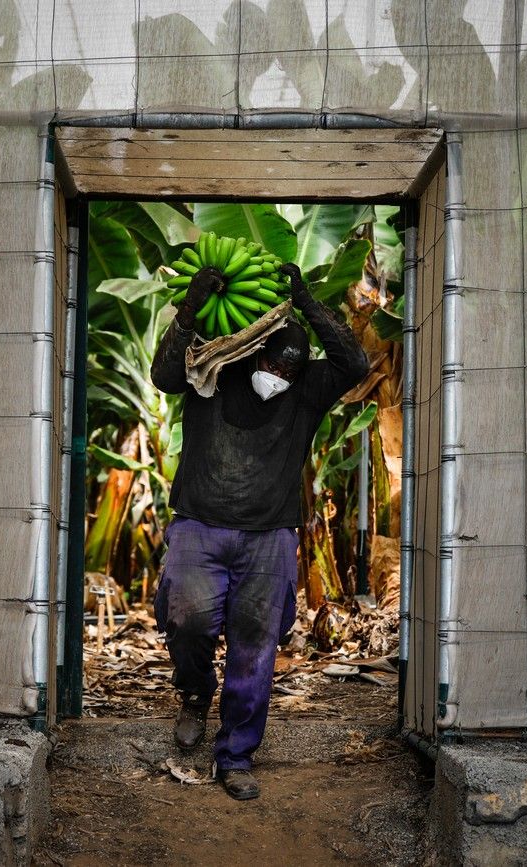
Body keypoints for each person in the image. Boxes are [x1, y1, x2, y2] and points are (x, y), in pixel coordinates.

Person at [149, 263, 369, 800]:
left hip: (269, 536)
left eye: (292, 369)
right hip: (199, 524)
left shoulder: (308, 388)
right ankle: (195, 693)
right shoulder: (215, 368)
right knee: (187, 621)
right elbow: (163, 376)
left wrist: (309, 304)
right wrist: (189, 309)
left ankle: (236, 755)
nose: (281, 376)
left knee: (255, 647)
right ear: (253, 354)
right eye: (275, 364)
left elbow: (355, 362)